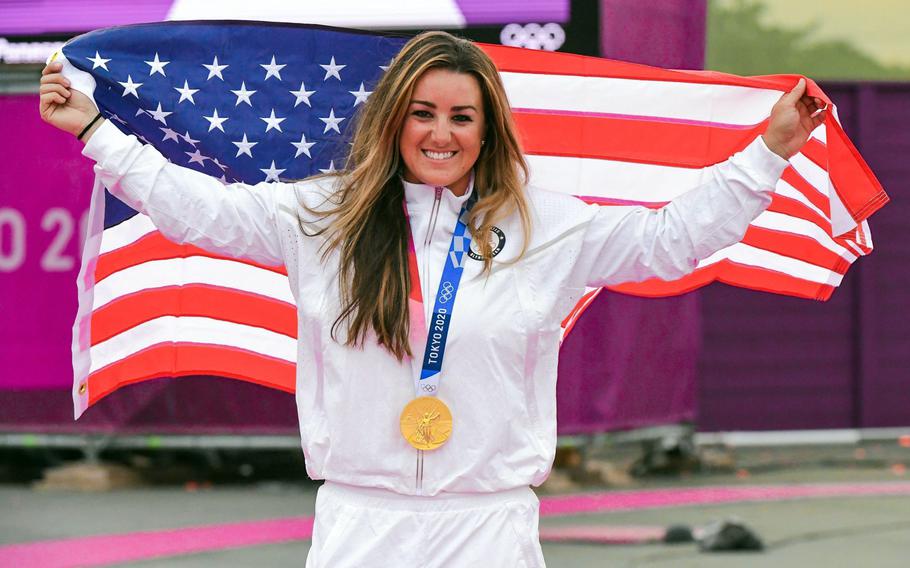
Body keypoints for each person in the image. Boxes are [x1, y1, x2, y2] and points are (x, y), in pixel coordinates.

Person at [39, 30, 824, 567]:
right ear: (393, 122)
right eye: (422, 113)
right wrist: (98, 132)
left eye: (461, 116)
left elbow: (673, 238)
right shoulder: (323, 216)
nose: (440, 133)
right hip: (359, 525)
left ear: (488, 130)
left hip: (489, 528)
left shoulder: (546, 227)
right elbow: (201, 211)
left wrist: (769, 150)